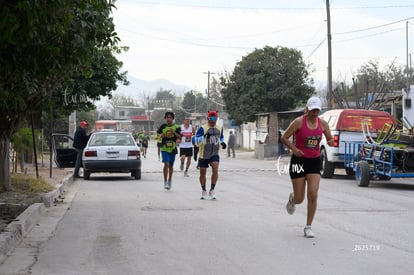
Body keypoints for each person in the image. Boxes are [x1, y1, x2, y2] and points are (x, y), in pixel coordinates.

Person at [281, 96, 334, 238]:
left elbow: (329, 138)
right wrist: (294, 149)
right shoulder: (298, 122)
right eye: (312, 110)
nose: (315, 113)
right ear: (307, 109)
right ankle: (293, 199)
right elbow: (284, 137)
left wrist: (331, 142)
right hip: (298, 162)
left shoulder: (322, 124)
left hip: (314, 162)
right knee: (300, 199)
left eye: (317, 110)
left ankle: (308, 226)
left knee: (313, 193)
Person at [194, 110, 226, 200]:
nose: (212, 121)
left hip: (214, 153)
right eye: (211, 118)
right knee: (202, 172)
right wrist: (204, 137)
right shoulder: (202, 128)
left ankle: (212, 190)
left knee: (215, 169)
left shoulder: (220, 128)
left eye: (214, 118)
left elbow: (221, 137)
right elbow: (196, 140)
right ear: (207, 118)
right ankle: (204, 190)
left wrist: (223, 143)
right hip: (204, 154)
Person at [157, 111, 181, 190]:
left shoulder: (177, 127)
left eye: (170, 117)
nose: (168, 119)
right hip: (164, 148)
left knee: (170, 166)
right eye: (167, 117)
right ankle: (165, 181)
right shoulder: (162, 127)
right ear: (165, 118)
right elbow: (157, 136)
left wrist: (173, 132)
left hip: (173, 148)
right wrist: (162, 135)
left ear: (173, 119)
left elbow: (180, 137)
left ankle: (170, 180)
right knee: (166, 164)